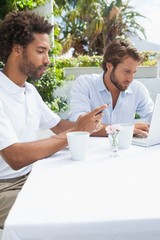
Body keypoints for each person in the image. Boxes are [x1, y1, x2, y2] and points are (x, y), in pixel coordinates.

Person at [0, 10, 107, 229]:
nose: (48, 60)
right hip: (4, 188)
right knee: (64, 212)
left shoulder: (28, 91)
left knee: (88, 186)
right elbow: (15, 156)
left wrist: (109, 128)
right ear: (17, 49)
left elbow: (59, 126)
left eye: (48, 52)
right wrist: (76, 132)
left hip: (32, 175)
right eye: (41, 51)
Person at [69, 39, 154, 137]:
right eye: (126, 71)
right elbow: (79, 124)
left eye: (133, 72)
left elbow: (153, 118)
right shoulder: (85, 84)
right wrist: (124, 130)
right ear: (109, 66)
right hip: (93, 150)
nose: (130, 79)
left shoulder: (138, 89)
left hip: (126, 150)